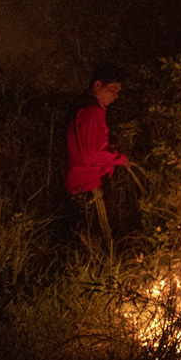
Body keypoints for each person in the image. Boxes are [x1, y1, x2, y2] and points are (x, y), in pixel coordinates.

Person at [63, 62, 129, 249]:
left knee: (84, 235)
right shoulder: (91, 111)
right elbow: (92, 153)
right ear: (98, 85)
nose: (116, 96)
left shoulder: (83, 105)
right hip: (87, 181)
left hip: (77, 180)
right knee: (100, 236)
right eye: (113, 89)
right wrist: (120, 159)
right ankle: (107, 271)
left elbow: (87, 145)